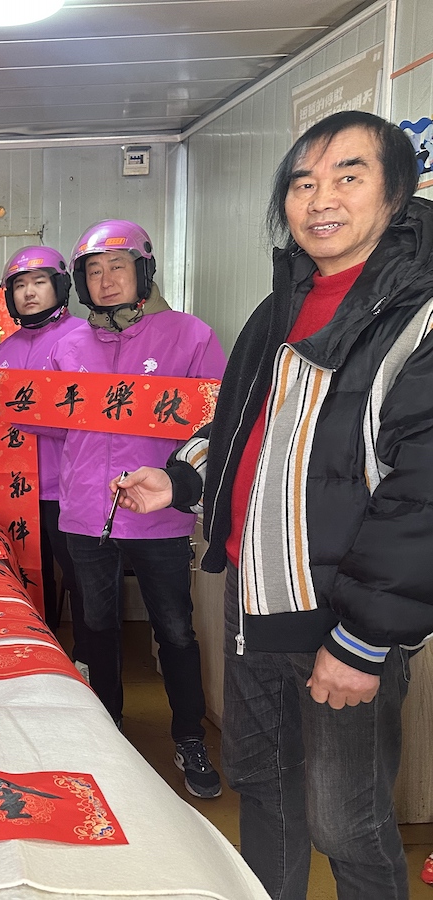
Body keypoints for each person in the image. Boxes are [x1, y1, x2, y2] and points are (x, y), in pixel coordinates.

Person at [116, 110, 433, 899]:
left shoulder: (418, 312)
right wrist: (183, 481)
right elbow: (238, 424)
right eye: (302, 183)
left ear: (397, 193)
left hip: (340, 614)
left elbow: (423, 490)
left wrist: (364, 638)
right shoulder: (281, 305)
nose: (321, 199)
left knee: (347, 823)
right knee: (264, 790)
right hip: (254, 600)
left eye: (349, 177)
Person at [51, 219, 226, 799]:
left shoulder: (190, 336)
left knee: (175, 630)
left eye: (118, 267)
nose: (106, 280)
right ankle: (106, 732)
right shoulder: (66, 346)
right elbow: (43, 420)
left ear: (144, 271)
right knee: (95, 628)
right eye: (94, 271)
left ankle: (189, 737)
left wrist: (183, 482)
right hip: (86, 512)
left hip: (159, 513)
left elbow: (217, 424)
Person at [0, 246, 90, 655]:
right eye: (20, 285)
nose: (29, 293)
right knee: (26, 575)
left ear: (59, 286)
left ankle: (85, 660)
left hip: (68, 485)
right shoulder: (4, 349)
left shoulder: (83, 337)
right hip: (16, 485)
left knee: (80, 578)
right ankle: (37, 651)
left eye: (39, 282)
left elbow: (87, 412)